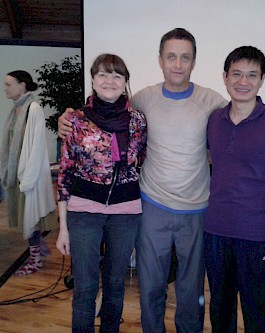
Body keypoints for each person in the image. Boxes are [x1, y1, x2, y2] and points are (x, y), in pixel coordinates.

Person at [58, 28, 265, 333]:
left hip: (198, 212)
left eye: (185, 57)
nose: (177, 64)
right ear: (160, 60)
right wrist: (68, 118)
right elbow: (106, 107)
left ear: (194, 62)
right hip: (153, 207)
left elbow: (248, 110)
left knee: (190, 292)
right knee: (151, 288)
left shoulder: (212, 103)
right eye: (171, 56)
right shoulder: (143, 99)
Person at [204, 46, 265, 333]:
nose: (243, 82)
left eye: (251, 75)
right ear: (225, 77)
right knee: (220, 312)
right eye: (237, 74)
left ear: (261, 80)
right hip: (216, 232)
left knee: (258, 316)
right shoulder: (213, 121)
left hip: (258, 236)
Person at [56, 53, 147, 333]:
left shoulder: (138, 121)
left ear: (125, 82)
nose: (110, 80)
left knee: (115, 283)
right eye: (103, 74)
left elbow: (140, 160)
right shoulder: (75, 121)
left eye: (117, 75)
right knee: (84, 286)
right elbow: (65, 172)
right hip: (84, 211)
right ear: (93, 80)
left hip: (126, 212)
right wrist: (62, 228)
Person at [0, 70, 56, 276]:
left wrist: (28, 179)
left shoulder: (33, 109)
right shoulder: (16, 109)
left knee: (30, 218)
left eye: (9, 84)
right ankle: (38, 250)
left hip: (28, 175)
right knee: (27, 218)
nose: (5, 88)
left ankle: (34, 261)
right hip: (17, 173)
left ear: (22, 85)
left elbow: (36, 147)